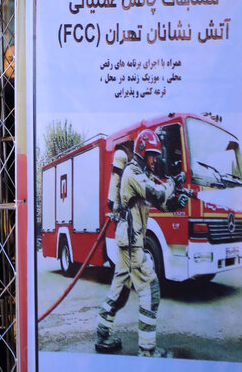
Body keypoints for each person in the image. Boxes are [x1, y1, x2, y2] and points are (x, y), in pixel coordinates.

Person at [95, 129, 188, 357]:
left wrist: (176, 203)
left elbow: (158, 203)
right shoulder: (132, 172)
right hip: (132, 242)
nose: (155, 159)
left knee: (120, 291)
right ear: (142, 151)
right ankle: (147, 351)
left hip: (127, 241)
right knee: (151, 290)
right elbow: (155, 194)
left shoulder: (141, 172)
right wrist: (172, 185)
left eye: (156, 155)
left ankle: (102, 336)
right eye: (152, 154)